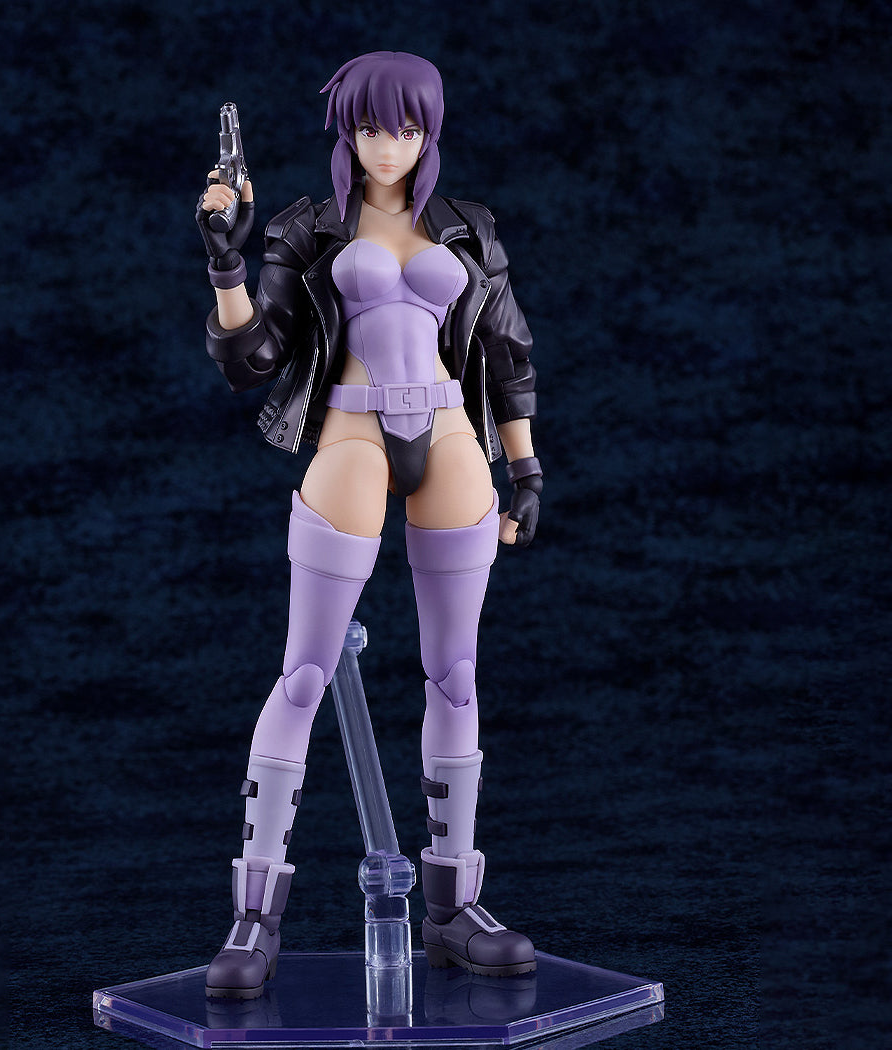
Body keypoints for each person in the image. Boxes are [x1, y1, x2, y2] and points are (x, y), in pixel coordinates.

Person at [196, 51, 543, 1000]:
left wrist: (525, 467)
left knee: (456, 672)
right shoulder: (308, 228)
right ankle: (254, 916)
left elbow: (507, 349)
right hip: (351, 434)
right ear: (346, 132)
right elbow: (254, 356)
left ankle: (454, 907)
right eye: (369, 126)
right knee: (304, 672)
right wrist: (226, 260)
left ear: (428, 132)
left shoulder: (467, 228)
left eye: (406, 127)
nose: (387, 144)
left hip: (452, 434)